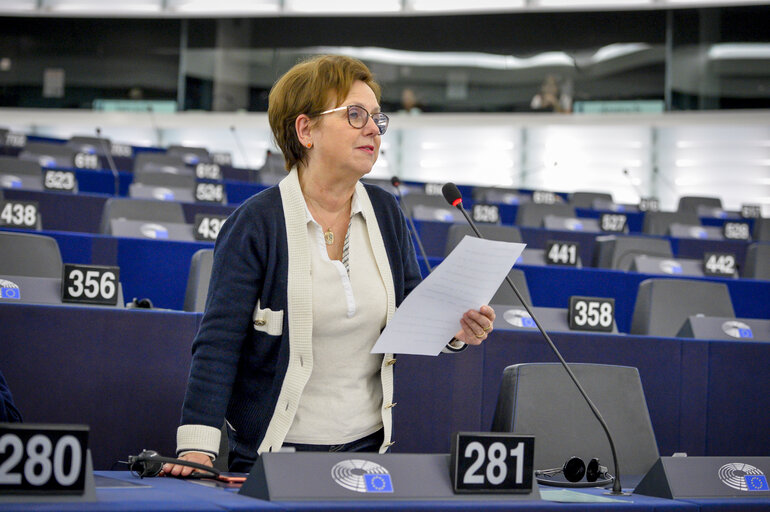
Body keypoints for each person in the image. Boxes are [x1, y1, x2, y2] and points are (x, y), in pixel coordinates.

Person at [164, 55, 495, 476]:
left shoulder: (385, 211)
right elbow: (218, 343)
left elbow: (413, 306)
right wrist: (196, 448)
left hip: (368, 454)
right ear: (306, 130)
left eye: (377, 118)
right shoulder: (255, 223)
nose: (373, 129)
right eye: (355, 115)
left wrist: (457, 328)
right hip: (274, 458)